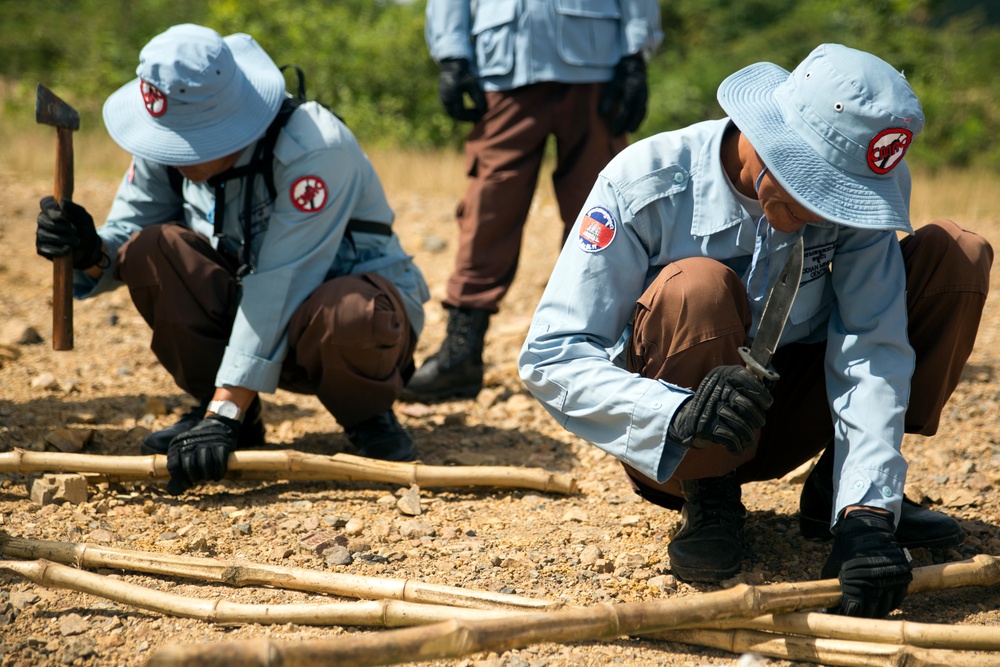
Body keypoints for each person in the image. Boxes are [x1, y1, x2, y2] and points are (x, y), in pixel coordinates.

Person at [519, 43, 993, 618]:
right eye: (813, 189)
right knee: (698, 285)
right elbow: (551, 354)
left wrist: (868, 515)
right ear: (768, 138)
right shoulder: (643, 183)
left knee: (956, 257)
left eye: (838, 199)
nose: (826, 213)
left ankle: (836, 491)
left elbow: (872, 343)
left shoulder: (860, 188)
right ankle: (709, 497)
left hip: (789, 409)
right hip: (679, 437)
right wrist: (673, 413)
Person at [35, 24, 430, 494]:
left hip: (333, 326)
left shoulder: (316, 147)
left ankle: (366, 416)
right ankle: (234, 415)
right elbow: (127, 237)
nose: (174, 154)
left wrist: (224, 412)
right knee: (152, 248)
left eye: (188, 142)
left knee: (348, 313)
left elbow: (282, 281)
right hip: (248, 319)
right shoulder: (166, 150)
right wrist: (88, 251)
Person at [403, 0, 663, 402]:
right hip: (506, 66)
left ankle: (598, 358)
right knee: (488, 208)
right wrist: (453, 54)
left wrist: (635, 53)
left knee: (601, 215)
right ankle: (463, 351)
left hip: (596, 66)